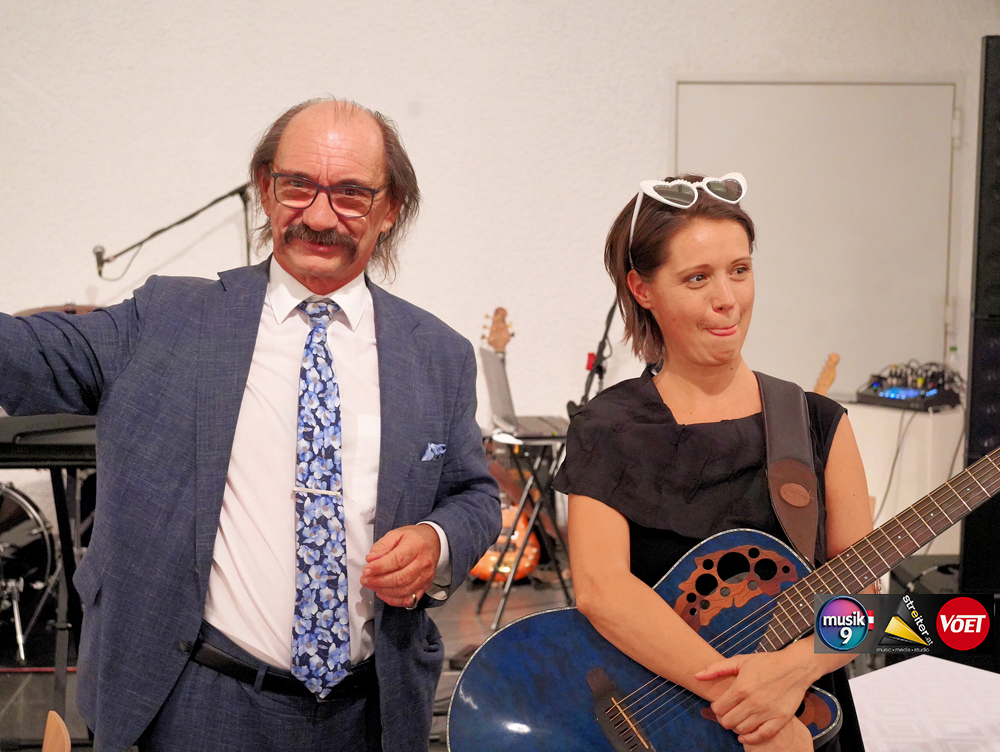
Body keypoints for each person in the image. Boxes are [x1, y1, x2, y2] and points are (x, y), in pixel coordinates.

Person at [0, 98, 501, 752]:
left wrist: (437, 539)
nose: (319, 216)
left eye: (351, 194)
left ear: (390, 209)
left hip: (370, 712)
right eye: (298, 186)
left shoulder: (437, 354)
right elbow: (27, 353)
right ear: (266, 189)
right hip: (199, 702)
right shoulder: (169, 320)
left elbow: (474, 495)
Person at [554, 174, 873, 751]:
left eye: (740, 270)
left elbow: (865, 596)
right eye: (697, 278)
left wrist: (794, 669)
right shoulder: (608, 427)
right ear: (642, 288)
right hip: (666, 724)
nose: (727, 298)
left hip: (802, 711)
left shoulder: (816, 421)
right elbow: (602, 590)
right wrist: (744, 700)